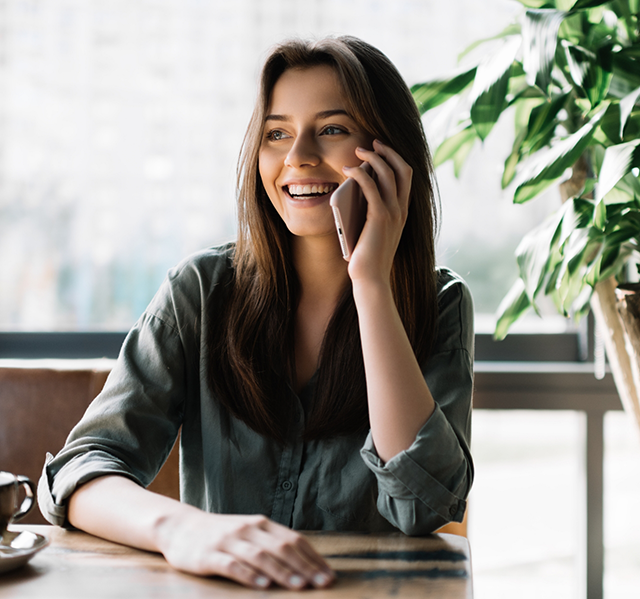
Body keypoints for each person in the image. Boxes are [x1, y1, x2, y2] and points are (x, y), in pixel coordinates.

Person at [38, 36, 474, 591]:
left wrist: (370, 282)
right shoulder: (200, 290)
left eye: (333, 129)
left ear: (388, 153)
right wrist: (181, 528)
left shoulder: (440, 303)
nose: (298, 157)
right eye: (277, 133)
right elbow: (81, 470)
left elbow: (422, 504)